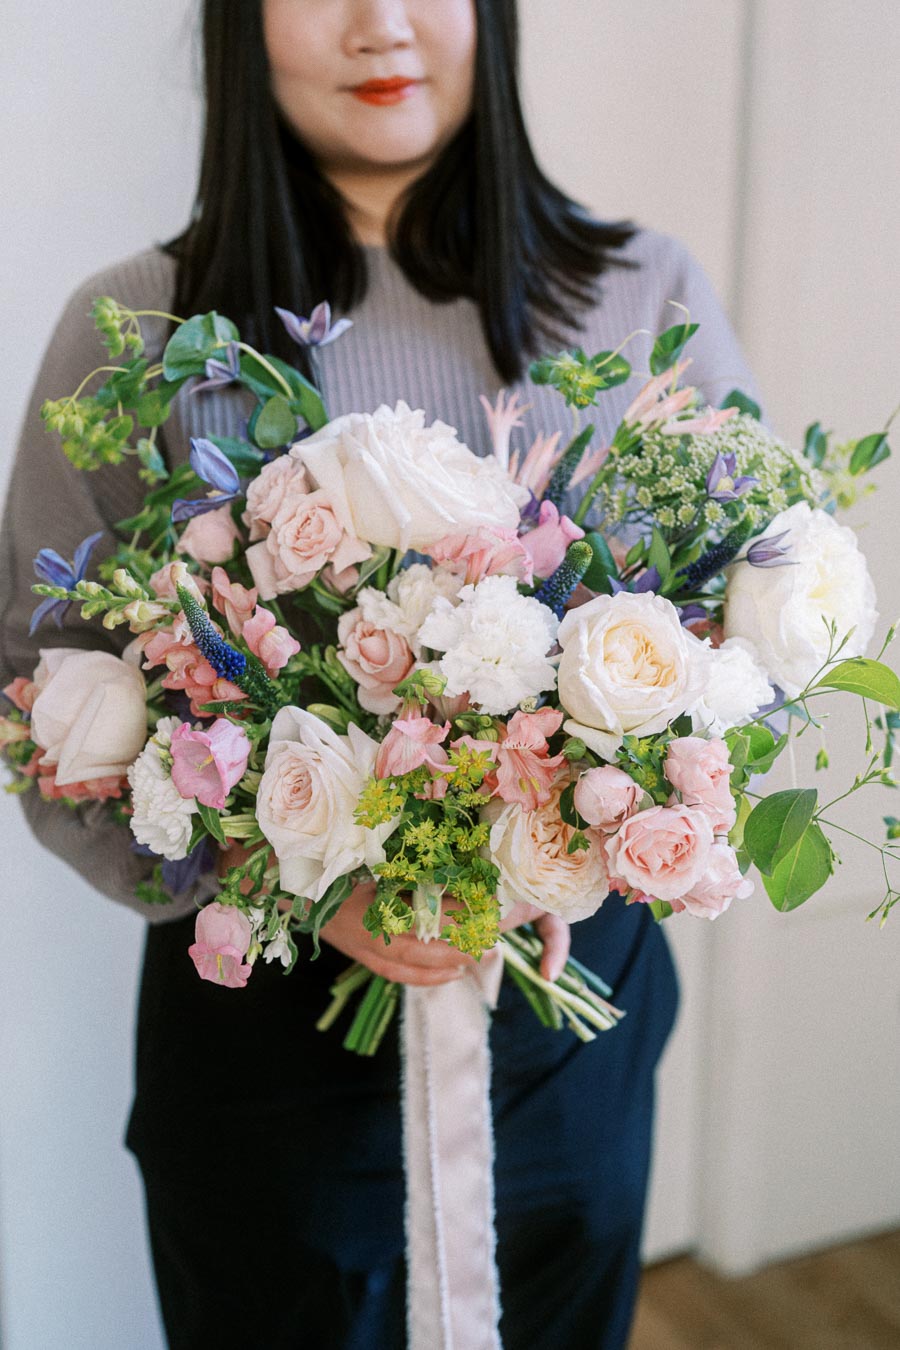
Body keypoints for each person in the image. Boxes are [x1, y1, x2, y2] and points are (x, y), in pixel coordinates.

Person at [0, 2, 760, 1346]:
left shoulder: (646, 298)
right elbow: (35, 698)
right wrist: (277, 867)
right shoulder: (132, 329)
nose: (382, 23)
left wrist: (591, 824)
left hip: (568, 1037)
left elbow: (744, 646)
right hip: (267, 1066)